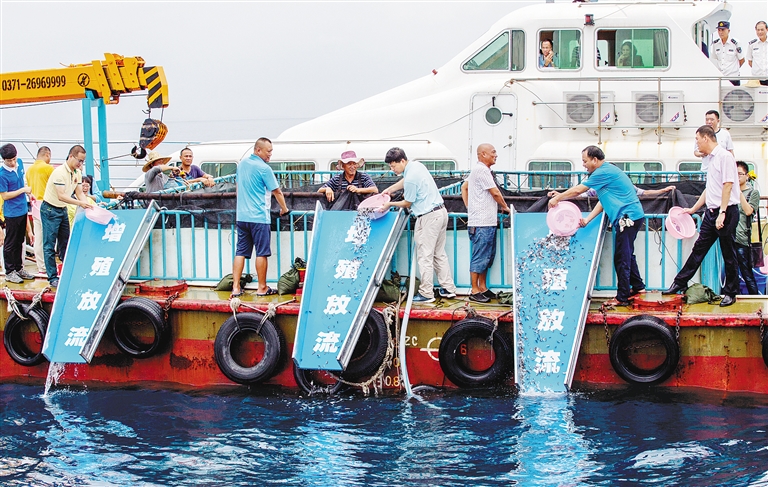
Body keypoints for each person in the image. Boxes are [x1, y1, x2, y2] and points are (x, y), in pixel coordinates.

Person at [548, 146, 645, 306]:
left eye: (585, 161)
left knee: (622, 258)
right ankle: (638, 287)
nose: (584, 165)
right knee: (627, 254)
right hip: (633, 217)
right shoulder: (607, 173)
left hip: (628, 219)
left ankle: (622, 297)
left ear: (595, 159)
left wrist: (558, 198)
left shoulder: (602, 172)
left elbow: (579, 190)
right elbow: (603, 201)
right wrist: (588, 219)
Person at [664, 125, 740, 307]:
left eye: (697, 139)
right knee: (699, 249)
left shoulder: (725, 157)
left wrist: (722, 213)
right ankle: (679, 282)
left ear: (706, 138)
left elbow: (728, 185)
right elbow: (710, 189)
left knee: (728, 253)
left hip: (726, 211)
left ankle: (731, 293)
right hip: (711, 212)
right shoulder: (711, 160)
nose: (696, 143)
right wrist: (693, 208)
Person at [381, 147, 457, 303]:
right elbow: (405, 180)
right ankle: (448, 288)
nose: (392, 169)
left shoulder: (410, 178)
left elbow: (407, 202)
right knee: (439, 253)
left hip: (428, 217)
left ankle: (426, 293)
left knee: (425, 256)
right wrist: (390, 189)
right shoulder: (416, 166)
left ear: (402, 161)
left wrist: (388, 204)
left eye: (394, 165)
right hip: (441, 212)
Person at [230, 137, 289, 298]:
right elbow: (277, 191)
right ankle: (262, 287)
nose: (270, 154)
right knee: (261, 253)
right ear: (258, 150)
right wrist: (284, 208)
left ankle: (236, 287)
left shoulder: (242, 164)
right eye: (268, 151)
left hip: (242, 216)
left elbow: (238, 186)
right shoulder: (264, 168)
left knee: (240, 251)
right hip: (259, 217)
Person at [460, 143, 510, 303]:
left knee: (487, 257)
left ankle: (483, 287)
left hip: (486, 221)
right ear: (483, 154)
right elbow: (495, 192)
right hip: (481, 222)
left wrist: (470, 207)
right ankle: (474, 290)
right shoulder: (481, 170)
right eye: (493, 152)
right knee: (480, 256)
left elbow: (464, 187)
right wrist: (505, 207)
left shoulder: (480, 170)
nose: (496, 155)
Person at [41, 144, 92, 288]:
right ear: (71, 157)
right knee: (49, 245)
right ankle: (52, 277)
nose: (80, 164)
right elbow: (62, 195)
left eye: (83, 161)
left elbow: (79, 192)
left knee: (65, 241)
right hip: (50, 209)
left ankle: (67, 270)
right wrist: (80, 204)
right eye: (79, 161)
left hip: (62, 209)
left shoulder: (76, 173)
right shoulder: (59, 173)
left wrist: (86, 204)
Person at [0, 144, 33, 284]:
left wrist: (28, 195)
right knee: (10, 242)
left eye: (14, 159)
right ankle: (9, 271)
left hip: (22, 208)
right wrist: (23, 190)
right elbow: (5, 195)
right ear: (4, 160)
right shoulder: (2, 174)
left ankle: (19, 268)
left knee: (20, 240)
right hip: (11, 212)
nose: (12, 162)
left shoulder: (19, 164)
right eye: (9, 160)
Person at [734, 161, 760, 295]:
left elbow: (749, 211)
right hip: (728, 236)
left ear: (747, 176)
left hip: (742, 238)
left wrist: (738, 193)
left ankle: (755, 300)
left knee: (746, 272)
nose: (737, 177)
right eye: (735, 173)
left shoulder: (753, 193)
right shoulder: (729, 191)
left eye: (740, 174)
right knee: (731, 273)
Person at [27, 146, 53, 275]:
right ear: (47, 155)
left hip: (35, 204)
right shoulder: (48, 168)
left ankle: (41, 266)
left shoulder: (29, 170)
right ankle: (48, 265)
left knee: (39, 237)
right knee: (49, 237)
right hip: (47, 204)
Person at [711, 21, 744, 86]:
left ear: (728, 31)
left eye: (723, 30)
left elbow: (742, 60)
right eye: (719, 30)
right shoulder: (715, 44)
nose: (720, 32)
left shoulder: (735, 43)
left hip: (733, 78)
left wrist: (733, 69)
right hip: (721, 78)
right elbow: (715, 59)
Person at [746, 21, 768, 86]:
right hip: (757, 80)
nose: (760, 32)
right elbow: (750, 61)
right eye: (758, 30)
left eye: (762, 30)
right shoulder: (752, 45)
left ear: (767, 29)